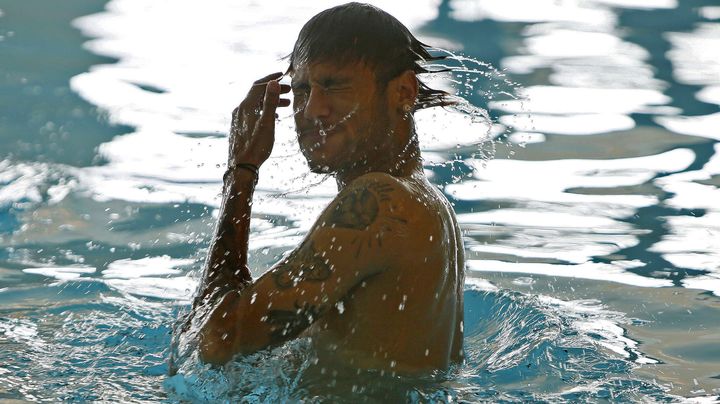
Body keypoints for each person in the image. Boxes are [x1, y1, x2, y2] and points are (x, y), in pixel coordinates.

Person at [187, 2, 465, 373]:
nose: (312, 110)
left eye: (335, 87)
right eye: (302, 90)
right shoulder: (427, 204)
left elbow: (214, 343)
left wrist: (241, 171)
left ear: (403, 92)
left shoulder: (381, 203)